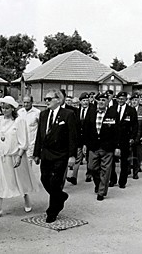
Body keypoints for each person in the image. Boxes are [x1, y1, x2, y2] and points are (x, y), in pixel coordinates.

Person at [0, 96, 38, 219]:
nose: (4, 110)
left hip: (15, 155)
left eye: (7, 108)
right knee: (0, 181)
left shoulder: (19, 121)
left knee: (20, 179)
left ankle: (26, 199)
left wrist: (19, 156)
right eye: (2, 108)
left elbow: (23, 140)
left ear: (12, 109)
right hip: (1, 156)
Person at [33, 89, 77, 223]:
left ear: (58, 100)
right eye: (45, 99)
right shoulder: (43, 114)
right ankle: (61, 196)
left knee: (55, 182)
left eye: (49, 99)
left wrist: (72, 156)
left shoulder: (68, 114)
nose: (46, 102)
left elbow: (72, 137)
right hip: (46, 154)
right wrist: (36, 153)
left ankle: (52, 211)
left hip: (61, 155)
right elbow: (39, 135)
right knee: (45, 179)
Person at [83, 92, 119, 201]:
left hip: (107, 147)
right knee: (92, 167)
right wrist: (84, 144)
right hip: (93, 146)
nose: (101, 102)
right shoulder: (91, 112)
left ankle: (101, 192)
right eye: (100, 100)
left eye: (104, 100)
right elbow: (86, 129)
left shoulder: (113, 113)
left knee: (106, 170)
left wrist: (117, 146)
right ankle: (98, 184)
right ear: (96, 102)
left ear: (108, 102)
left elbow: (117, 131)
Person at [109, 91, 137, 189]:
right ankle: (112, 179)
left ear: (126, 100)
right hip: (112, 139)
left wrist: (132, 138)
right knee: (111, 161)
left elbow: (135, 126)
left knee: (124, 162)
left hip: (125, 139)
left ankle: (122, 181)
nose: (121, 100)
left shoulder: (131, 110)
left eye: (123, 99)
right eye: (119, 99)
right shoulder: (112, 109)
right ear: (116, 99)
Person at [67, 92, 95, 185]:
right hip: (79, 139)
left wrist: (87, 143)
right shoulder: (77, 111)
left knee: (89, 159)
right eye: (83, 100)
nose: (85, 102)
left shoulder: (92, 111)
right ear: (80, 101)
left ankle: (89, 175)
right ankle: (74, 177)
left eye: (87, 100)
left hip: (89, 139)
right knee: (77, 158)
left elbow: (92, 127)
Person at [130, 93, 142, 179]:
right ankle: (128, 170)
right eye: (133, 100)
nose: (134, 102)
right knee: (128, 155)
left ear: (139, 101)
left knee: (137, 155)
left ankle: (135, 172)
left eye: (136, 100)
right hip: (130, 136)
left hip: (139, 135)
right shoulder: (128, 109)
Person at [17, 95, 41, 165]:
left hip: (32, 142)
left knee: (30, 165)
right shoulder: (19, 112)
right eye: (24, 102)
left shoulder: (37, 112)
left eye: (28, 102)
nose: (26, 104)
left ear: (32, 102)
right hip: (21, 143)